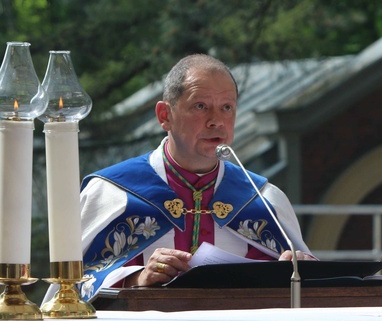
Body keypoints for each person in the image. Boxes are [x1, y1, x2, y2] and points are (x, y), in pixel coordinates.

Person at [54, 54, 314, 302]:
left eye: (227, 108)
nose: (217, 121)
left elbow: (305, 294)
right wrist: (135, 279)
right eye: (200, 106)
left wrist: (302, 269)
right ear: (164, 116)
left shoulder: (264, 200)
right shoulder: (111, 194)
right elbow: (69, 292)